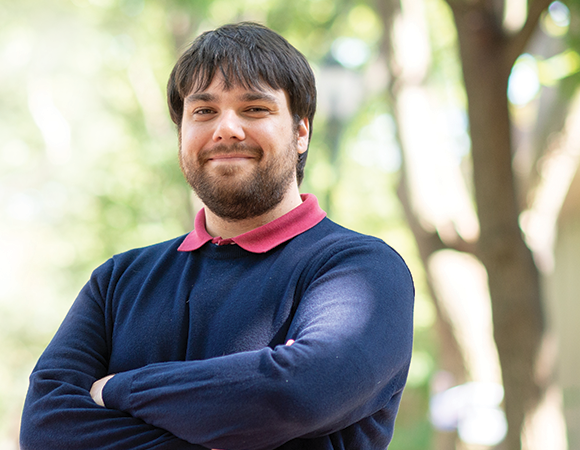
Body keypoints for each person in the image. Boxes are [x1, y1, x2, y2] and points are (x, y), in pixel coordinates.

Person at [19, 22, 414, 450]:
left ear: (301, 132)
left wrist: (117, 390)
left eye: (255, 109)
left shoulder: (362, 270)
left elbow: (298, 392)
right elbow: (45, 429)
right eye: (204, 111)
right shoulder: (117, 280)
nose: (226, 128)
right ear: (182, 133)